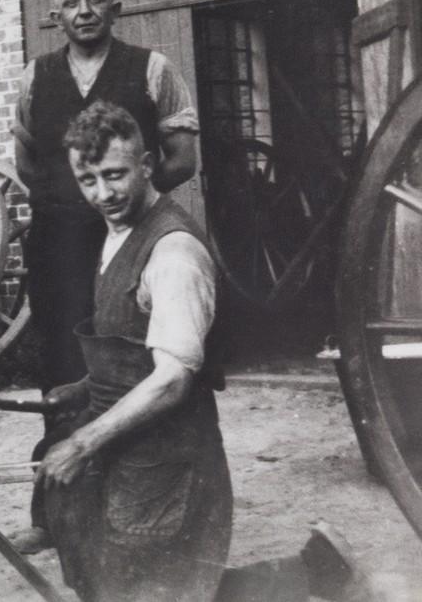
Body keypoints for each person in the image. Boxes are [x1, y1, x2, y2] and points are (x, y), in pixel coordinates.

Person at [36, 101, 376, 602]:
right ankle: (319, 569)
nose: (103, 193)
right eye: (87, 180)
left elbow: (172, 377)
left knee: (150, 588)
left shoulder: (173, 254)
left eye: (115, 175)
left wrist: (83, 442)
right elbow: (134, 350)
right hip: (127, 453)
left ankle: (316, 573)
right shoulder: (116, 236)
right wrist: (85, 386)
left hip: (172, 464)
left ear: (148, 164)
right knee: (138, 584)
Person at [12, 0, 200, 397]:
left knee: (130, 347)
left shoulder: (153, 68)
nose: (84, 11)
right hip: (57, 241)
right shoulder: (35, 77)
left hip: (131, 237)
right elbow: (26, 162)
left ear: (115, 9)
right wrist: (68, 198)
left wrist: (125, 205)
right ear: (55, 16)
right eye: (71, 3)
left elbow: (183, 161)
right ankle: (62, 448)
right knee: (60, 353)